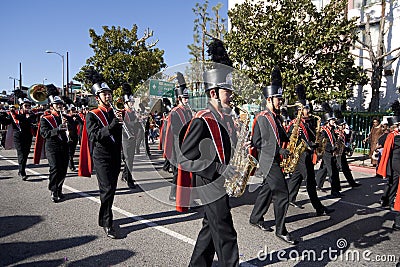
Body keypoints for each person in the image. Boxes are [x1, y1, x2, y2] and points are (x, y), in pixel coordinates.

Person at [177, 67, 240, 266]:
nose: (231, 95)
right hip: (208, 181)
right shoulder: (202, 120)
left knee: (210, 228)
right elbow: (184, 158)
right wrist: (218, 168)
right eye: (226, 91)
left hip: (221, 180)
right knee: (225, 232)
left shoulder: (224, 118)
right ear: (213, 93)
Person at [248, 66, 299, 245]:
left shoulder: (276, 117)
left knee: (267, 190)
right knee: (282, 194)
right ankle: (281, 229)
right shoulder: (262, 117)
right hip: (268, 160)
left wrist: (293, 134)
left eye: (281, 98)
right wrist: (278, 150)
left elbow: (280, 136)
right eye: (278, 99)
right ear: (269, 99)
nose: (280, 102)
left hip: (274, 159)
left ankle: (255, 218)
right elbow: (257, 141)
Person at [286, 84, 334, 216]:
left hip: (306, 154)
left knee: (296, 178)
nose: (308, 110)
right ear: (299, 110)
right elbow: (292, 139)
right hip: (300, 155)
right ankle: (319, 208)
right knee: (310, 182)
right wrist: (308, 144)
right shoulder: (294, 124)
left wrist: (316, 142)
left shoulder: (309, 122)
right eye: (306, 108)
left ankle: (289, 198)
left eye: (307, 107)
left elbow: (312, 137)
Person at [85, 72, 123, 239]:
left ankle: (104, 218)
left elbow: (119, 134)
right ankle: (108, 223)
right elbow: (94, 136)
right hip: (101, 156)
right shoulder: (92, 115)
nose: (108, 96)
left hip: (115, 155)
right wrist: (112, 126)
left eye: (109, 94)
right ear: (97, 97)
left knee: (112, 189)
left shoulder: (114, 112)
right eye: (104, 94)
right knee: (106, 189)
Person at [164, 72, 193, 201]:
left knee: (188, 171)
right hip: (178, 145)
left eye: (188, 98)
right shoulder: (175, 112)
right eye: (184, 98)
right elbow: (174, 131)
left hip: (188, 144)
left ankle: (187, 195)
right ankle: (173, 193)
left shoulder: (188, 111)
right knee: (178, 172)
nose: (187, 100)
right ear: (179, 98)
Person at [40, 91, 69, 203]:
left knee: (63, 169)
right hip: (52, 147)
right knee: (55, 168)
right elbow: (45, 134)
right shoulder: (45, 119)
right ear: (51, 106)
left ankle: (59, 189)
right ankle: (53, 189)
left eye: (61, 104)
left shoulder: (64, 117)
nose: (60, 106)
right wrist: (58, 129)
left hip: (64, 146)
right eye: (57, 104)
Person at [377, 100, 400, 230]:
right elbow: (387, 150)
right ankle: (390, 201)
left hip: (396, 163)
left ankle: (389, 200)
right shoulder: (393, 136)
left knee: (393, 183)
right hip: (394, 162)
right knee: (392, 183)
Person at [3, 98, 37, 180]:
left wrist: (13, 113)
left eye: (29, 106)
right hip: (18, 136)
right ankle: (22, 172)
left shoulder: (31, 114)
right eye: (26, 106)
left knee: (25, 154)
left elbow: (26, 120)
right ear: (22, 106)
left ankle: (21, 169)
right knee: (21, 153)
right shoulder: (14, 114)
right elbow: (5, 122)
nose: (28, 107)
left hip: (28, 136)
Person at [315, 103, 343, 198]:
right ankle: (334, 191)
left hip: (332, 152)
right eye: (332, 120)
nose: (334, 121)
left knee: (325, 169)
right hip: (327, 153)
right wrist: (331, 148)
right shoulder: (324, 130)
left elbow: (334, 140)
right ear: (328, 120)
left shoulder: (332, 129)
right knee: (332, 172)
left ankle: (318, 184)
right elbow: (322, 143)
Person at [335, 118, 361, 188]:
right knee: (332, 169)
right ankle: (321, 184)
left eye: (344, 125)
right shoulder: (336, 132)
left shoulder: (343, 132)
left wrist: (347, 148)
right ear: (338, 126)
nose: (344, 126)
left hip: (341, 152)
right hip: (336, 153)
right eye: (342, 125)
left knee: (345, 168)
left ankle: (352, 183)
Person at [121, 83, 138, 189]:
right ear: (126, 103)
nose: (132, 104)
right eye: (130, 102)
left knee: (130, 158)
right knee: (128, 159)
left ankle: (124, 175)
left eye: (132, 102)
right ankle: (129, 179)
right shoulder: (122, 113)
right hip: (125, 138)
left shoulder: (133, 112)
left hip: (133, 138)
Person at [64, 105, 83, 172]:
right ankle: (71, 165)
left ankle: (70, 164)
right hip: (66, 136)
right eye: (72, 110)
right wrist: (71, 116)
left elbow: (82, 124)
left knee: (72, 152)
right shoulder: (66, 117)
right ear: (69, 111)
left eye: (74, 110)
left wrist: (78, 117)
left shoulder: (75, 118)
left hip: (74, 136)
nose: (74, 111)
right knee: (68, 152)